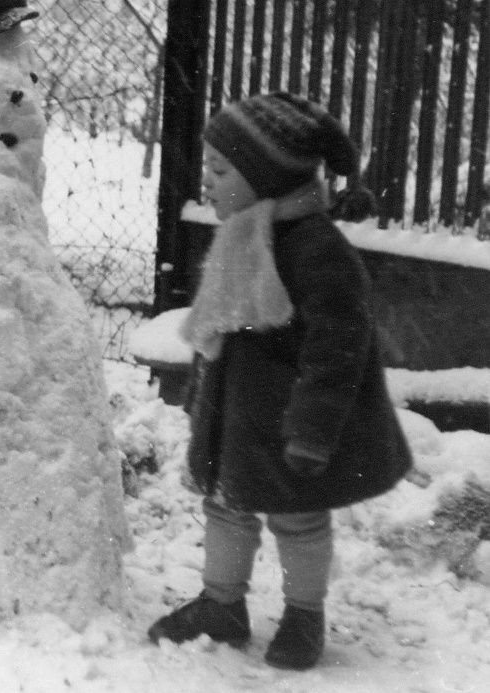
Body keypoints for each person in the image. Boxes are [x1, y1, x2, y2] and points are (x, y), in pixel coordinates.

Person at [147, 92, 413, 670]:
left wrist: (314, 431)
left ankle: (303, 615)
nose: (209, 184)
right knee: (225, 505)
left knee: (298, 515)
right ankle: (222, 605)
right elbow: (223, 326)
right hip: (238, 415)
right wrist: (203, 400)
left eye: (221, 171)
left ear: (266, 177)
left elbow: (340, 350)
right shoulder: (244, 234)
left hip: (291, 421)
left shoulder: (319, 251)